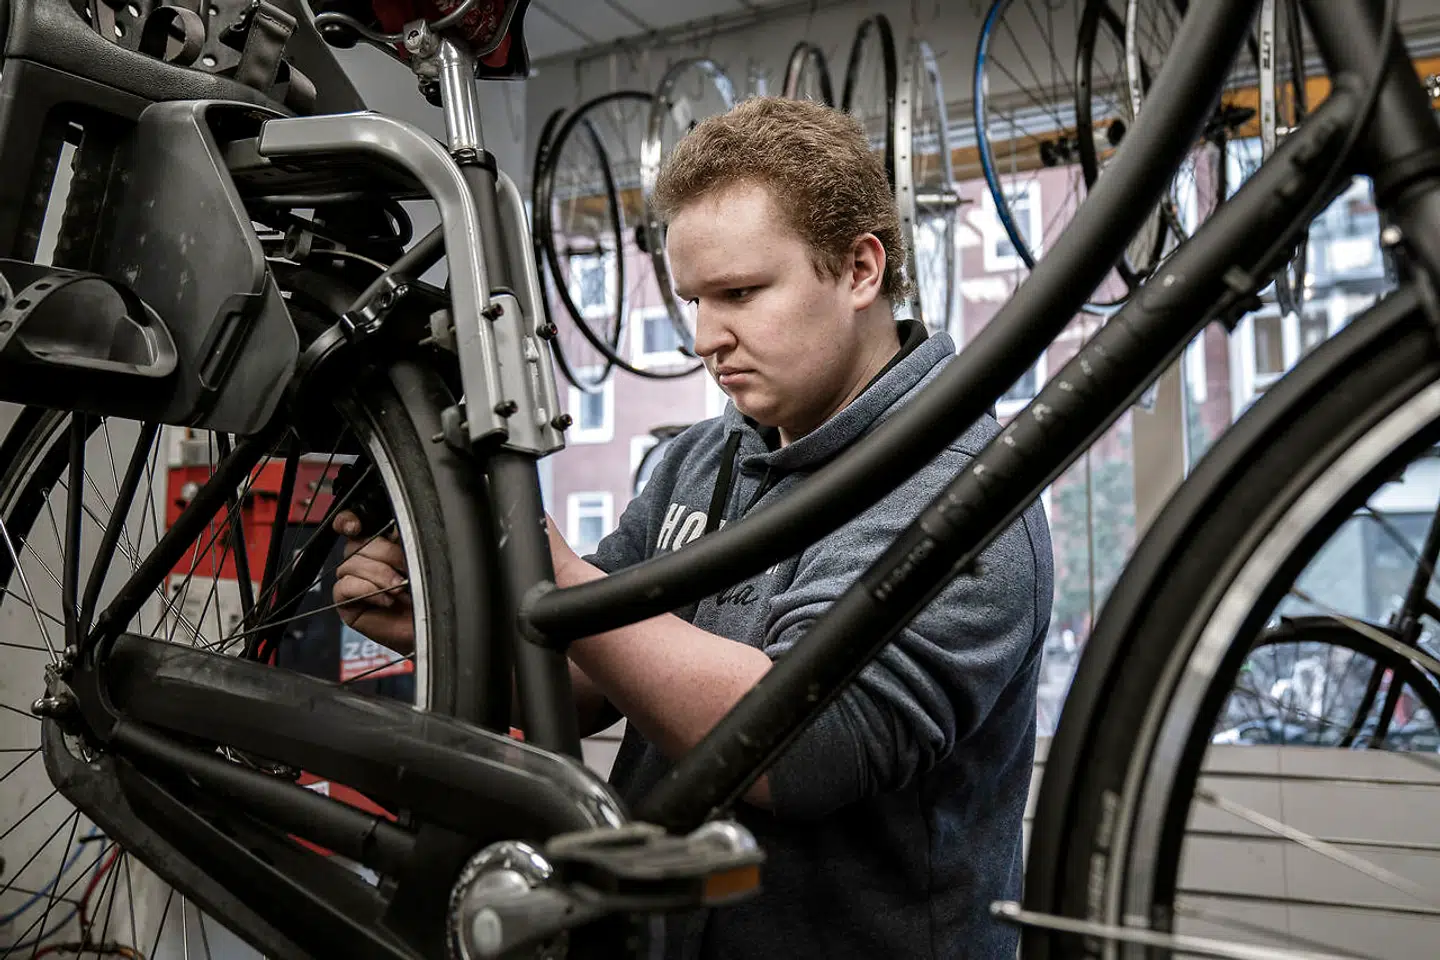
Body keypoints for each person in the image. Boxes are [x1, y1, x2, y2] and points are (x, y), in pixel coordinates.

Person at [333, 96, 1053, 959]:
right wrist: (442, 619)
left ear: (861, 270)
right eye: (693, 301)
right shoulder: (699, 460)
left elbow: (804, 753)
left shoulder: (962, 492)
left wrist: (543, 559)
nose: (706, 338)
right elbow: (590, 684)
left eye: (741, 293)